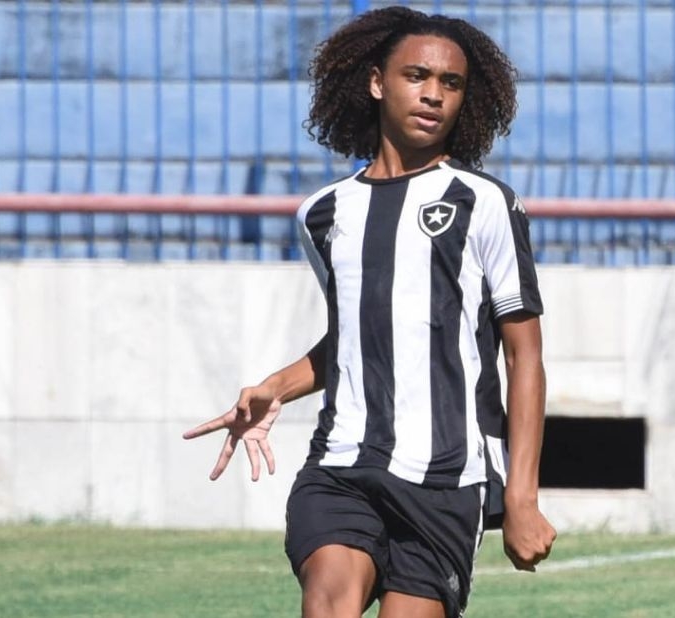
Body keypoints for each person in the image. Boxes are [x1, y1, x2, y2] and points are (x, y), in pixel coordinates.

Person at [182, 7, 556, 617]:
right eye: (416, 76)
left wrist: (521, 495)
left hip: (446, 478)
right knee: (327, 602)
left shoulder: (485, 202)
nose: (433, 94)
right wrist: (277, 387)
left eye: (451, 83)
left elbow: (525, 355)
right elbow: (359, 333)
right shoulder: (322, 214)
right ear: (378, 82)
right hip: (342, 463)